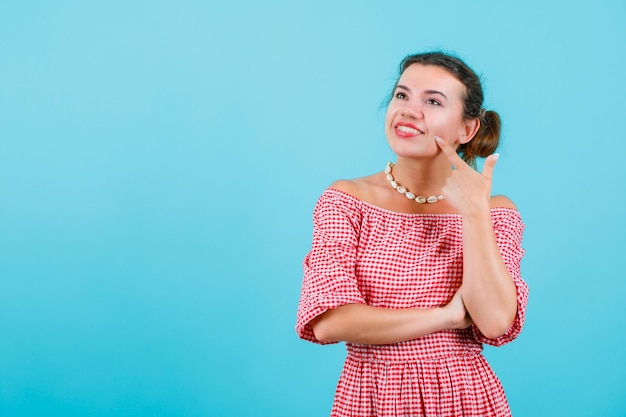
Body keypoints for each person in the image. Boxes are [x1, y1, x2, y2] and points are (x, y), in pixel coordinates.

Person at [295, 51, 529, 417]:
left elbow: (496, 321)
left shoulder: (495, 212)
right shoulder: (346, 200)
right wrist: (446, 317)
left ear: (467, 129)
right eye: (402, 95)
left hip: (465, 398)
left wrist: (474, 213)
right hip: (372, 397)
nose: (408, 109)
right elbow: (328, 321)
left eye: (432, 101)